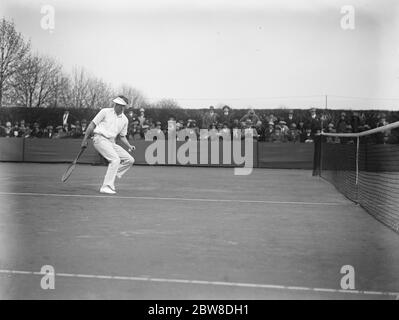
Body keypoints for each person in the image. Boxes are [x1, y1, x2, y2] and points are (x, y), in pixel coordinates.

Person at [81, 95, 136, 194]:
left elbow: (122, 136)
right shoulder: (104, 111)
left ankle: (113, 173)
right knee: (115, 160)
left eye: (122, 105)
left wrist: (129, 146)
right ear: (115, 104)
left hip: (111, 142)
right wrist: (85, 139)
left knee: (130, 160)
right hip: (99, 139)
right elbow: (92, 125)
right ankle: (106, 186)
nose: (119, 106)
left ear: (124, 107)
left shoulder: (125, 120)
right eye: (118, 104)